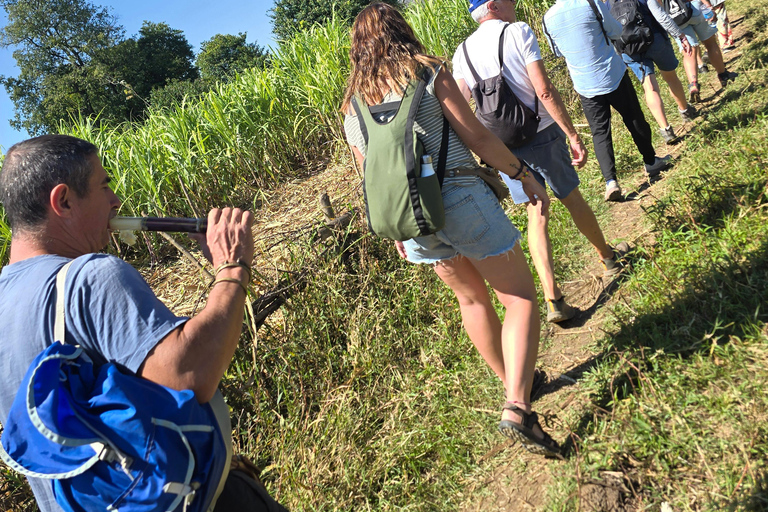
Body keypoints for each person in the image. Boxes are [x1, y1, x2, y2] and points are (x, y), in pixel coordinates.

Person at [0, 135, 287, 512]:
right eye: (103, 186)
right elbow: (189, 374)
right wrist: (232, 268)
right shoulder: (90, 278)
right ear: (63, 201)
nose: (116, 200)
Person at [343, 3, 561, 456]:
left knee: (471, 299)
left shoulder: (352, 105)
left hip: (414, 221)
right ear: (401, 30)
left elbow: (370, 179)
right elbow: (476, 137)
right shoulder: (427, 72)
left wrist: (401, 234)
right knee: (519, 297)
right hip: (460, 199)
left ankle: (514, 383)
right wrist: (522, 173)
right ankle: (518, 406)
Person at [452, 0, 630, 323]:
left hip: (504, 150)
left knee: (537, 211)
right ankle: (608, 258)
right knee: (571, 197)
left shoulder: (461, 53)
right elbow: (544, 90)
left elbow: (461, 112)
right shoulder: (518, 32)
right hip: (542, 133)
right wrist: (573, 135)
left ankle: (553, 298)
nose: (514, 3)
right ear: (492, 5)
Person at [543, 0, 673, 202]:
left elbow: (557, 51)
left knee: (600, 132)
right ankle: (650, 161)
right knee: (633, 118)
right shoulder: (589, 3)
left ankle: (610, 182)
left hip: (584, 84)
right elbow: (615, 31)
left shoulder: (547, 19)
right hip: (612, 73)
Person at [611, 0, 699, 143]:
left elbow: (611, 31)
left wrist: (619, 54)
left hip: (630, 49)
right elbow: (661, 16)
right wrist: (680, 35)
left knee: (649, 87)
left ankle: (666, 130)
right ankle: (685, 111)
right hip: (655, 40)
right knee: (670, 77)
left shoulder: (608, 3)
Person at [661, 0, 738, 102]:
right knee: (711, 44)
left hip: (675, 17)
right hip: (694, 8)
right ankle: (723, 75)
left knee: (688, 52)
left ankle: (693, 84)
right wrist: (708, 5)